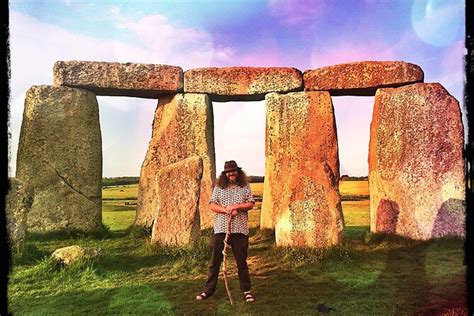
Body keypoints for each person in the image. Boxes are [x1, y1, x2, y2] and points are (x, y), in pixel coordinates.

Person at [196, 160, 256, 303]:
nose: (231, 174)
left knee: (241, 262)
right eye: (228, 172)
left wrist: (237, 207)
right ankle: (209, 290)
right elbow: (211, 204)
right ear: (225, 174)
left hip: (239, 229)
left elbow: (251, 203)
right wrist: (226, 210)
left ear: (238, 172)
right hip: (221, 229)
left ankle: (246, 291)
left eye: (233, 171)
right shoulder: (219, 187)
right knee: (214, 261)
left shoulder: (245, 186)